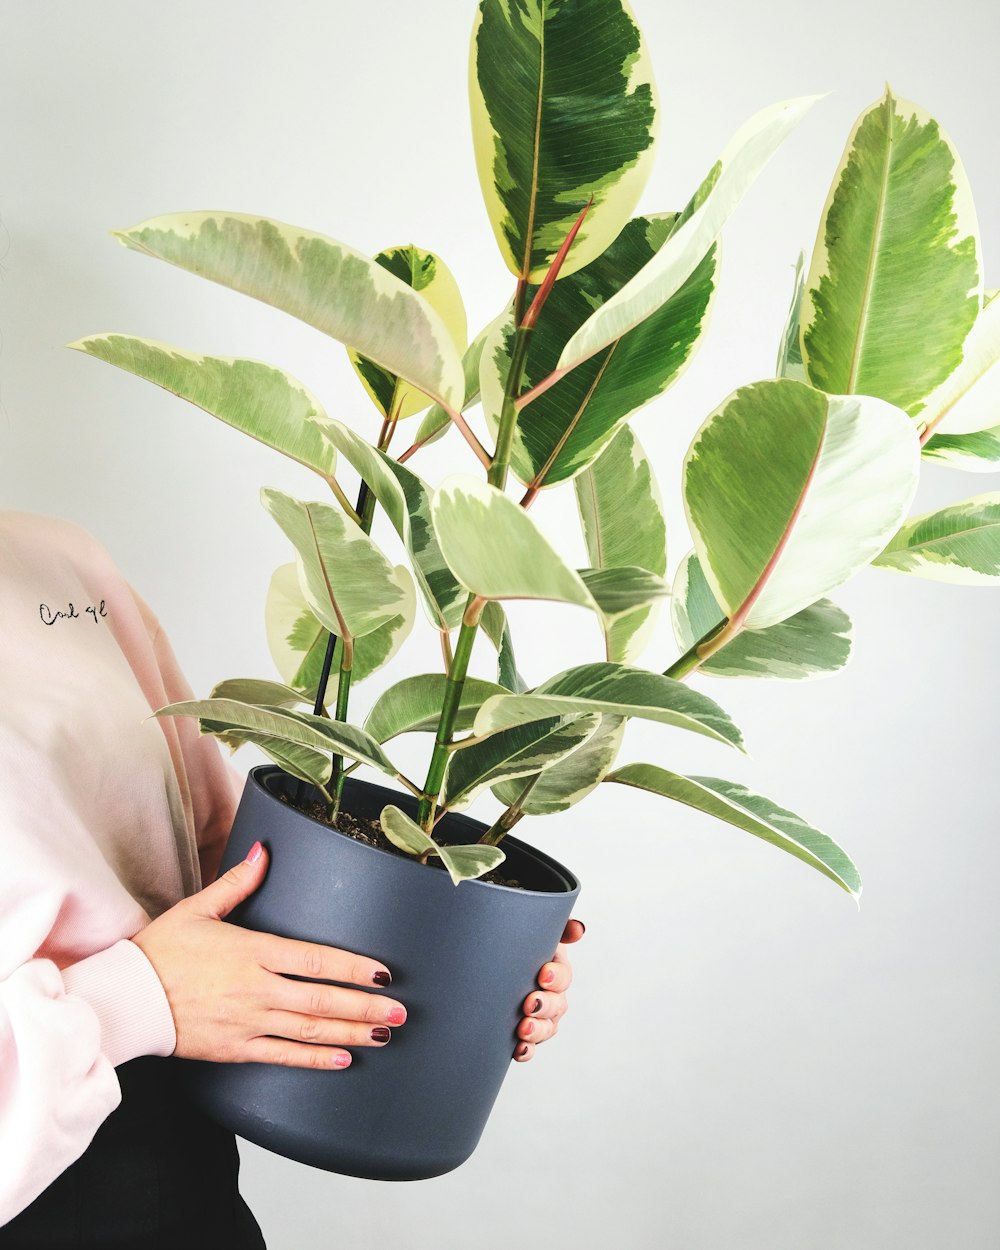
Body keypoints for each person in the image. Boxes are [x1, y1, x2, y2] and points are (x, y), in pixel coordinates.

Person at [0, 510, 583, 1247]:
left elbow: (218, 850)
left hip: (176, 1146)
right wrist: (135, 997)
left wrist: (470, 956)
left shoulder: (56, 564)